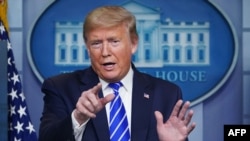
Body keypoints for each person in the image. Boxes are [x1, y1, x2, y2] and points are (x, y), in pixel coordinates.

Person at [39, 5, 195, 141]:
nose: (105, 52)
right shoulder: (61, 87)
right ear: (87, 48)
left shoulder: (167, 93)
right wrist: (78, 117)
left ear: (133, 44)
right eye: (96, 43)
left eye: (114, 41)